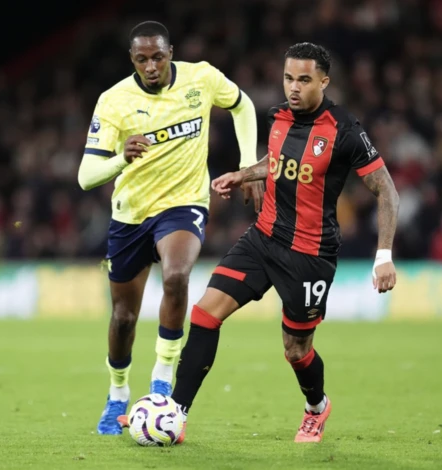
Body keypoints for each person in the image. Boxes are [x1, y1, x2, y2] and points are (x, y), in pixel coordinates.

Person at [121, 42, 400, 443]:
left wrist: (384, 256)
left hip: (309, 255)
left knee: (295, 350)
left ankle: (316, 407)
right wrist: (244, 175)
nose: (293, 87)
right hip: (263, 238)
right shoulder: (280, 117)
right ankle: (175, 415)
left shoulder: (346, 132)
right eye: (289, 78)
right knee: (203, 314)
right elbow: (278, 161)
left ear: (324, 80)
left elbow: (386, 191)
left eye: (304, 80)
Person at [77, 21, 263, 435]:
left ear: (171, 52)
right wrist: (121, 158)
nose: (151, 65)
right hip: (130, 215)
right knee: (124, 317)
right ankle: (118, 394)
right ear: (132, 60)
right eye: (142, 59)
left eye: (158, 56)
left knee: (177, 277)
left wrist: (249, 166)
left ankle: (162, 375)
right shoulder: (113, 102)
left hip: (183, 205)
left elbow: (242, 105)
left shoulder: (202, 78)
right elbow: (86, 176)